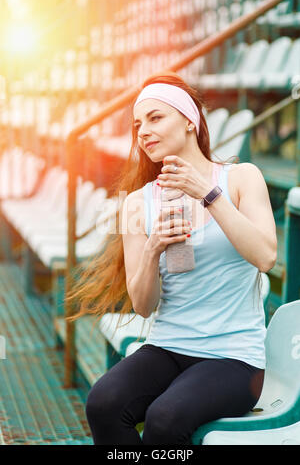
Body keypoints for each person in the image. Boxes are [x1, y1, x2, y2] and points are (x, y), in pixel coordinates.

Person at [69, 72, 277, 445]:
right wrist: (152, 251)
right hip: (168, 346)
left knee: (164, 419)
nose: (143, 131)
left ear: (189, 121)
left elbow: (265, 257)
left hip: (233, 357)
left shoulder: (242, 179)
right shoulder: (136, 204)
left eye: (155, 118)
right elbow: (144, 306)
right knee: (103, 403)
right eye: (137, 124)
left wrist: (209, 194)